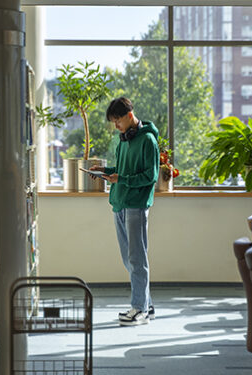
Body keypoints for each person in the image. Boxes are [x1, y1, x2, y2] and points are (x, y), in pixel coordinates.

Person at [91, 97, 159, 326]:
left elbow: (151, 176)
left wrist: (122, 178)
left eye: (117, 120)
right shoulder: (123, 141)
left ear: (129, 115)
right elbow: (120, 171)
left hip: (136, 205)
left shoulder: (148, 140)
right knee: (128, 259)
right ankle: (146, 305)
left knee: (137, 259)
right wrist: (105, 171)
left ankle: (139, 309)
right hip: (120, 203)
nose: (115, 125)